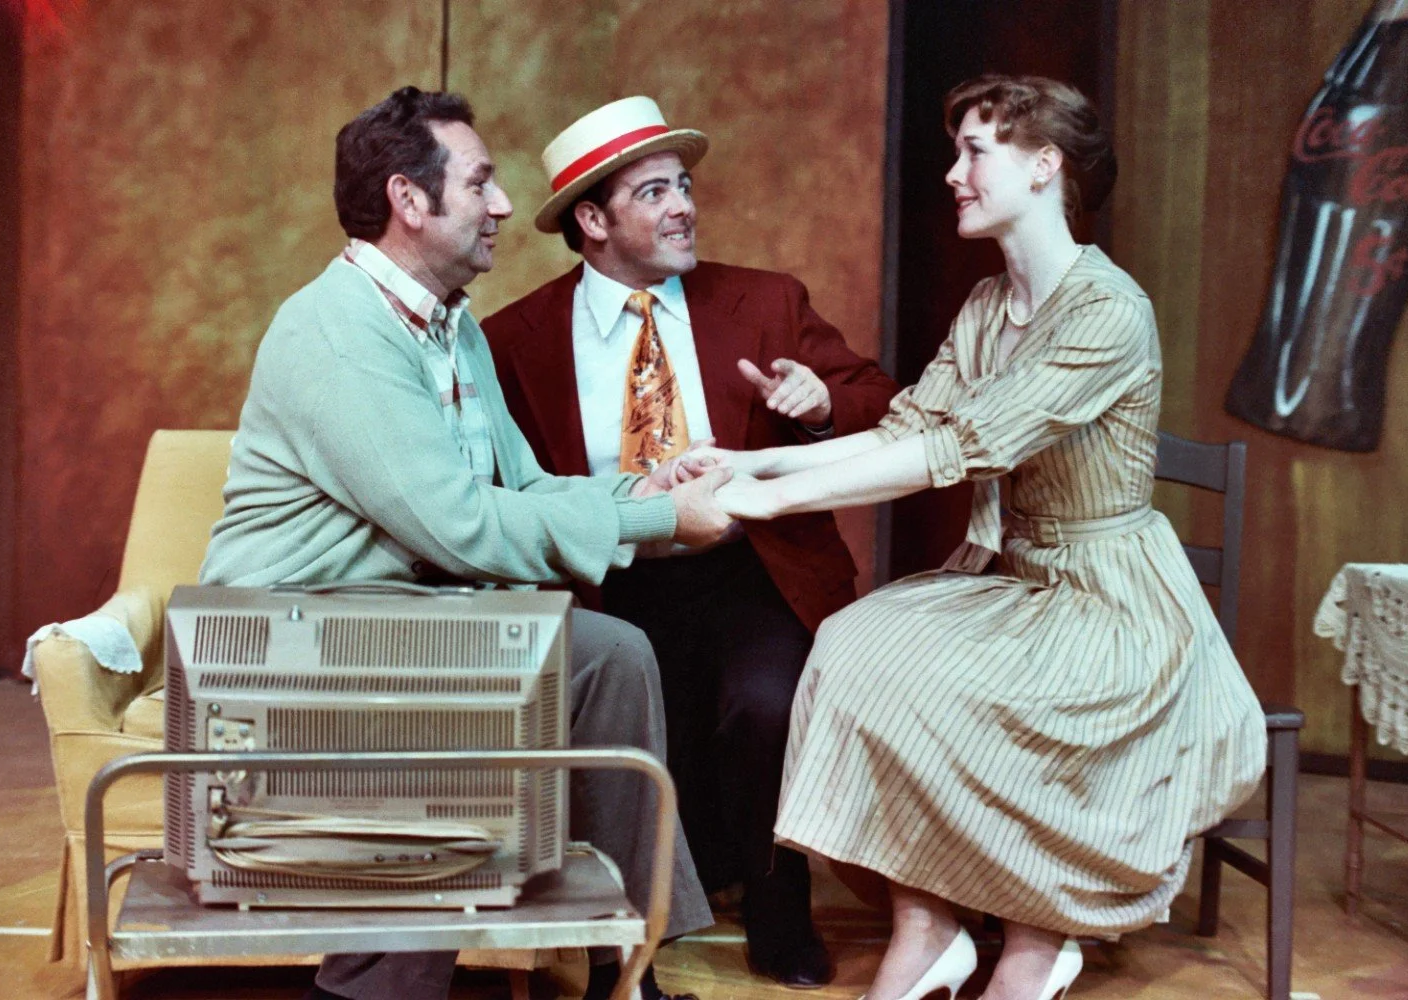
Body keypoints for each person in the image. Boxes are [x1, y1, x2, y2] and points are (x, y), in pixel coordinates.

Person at [697, 74, 1268, 1000]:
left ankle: (1039, 946)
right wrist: (746, 468)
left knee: (988, 690)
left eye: (975, 152)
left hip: (1113, 600)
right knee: (855, 647)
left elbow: (964, 446)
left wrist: (772, 504)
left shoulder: (1109, 312)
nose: (953, 173)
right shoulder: (986, 307)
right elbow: (905, 430)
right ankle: (929, 931)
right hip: (1015, 576)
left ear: (1045, 167)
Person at [199, 86, 729, 1000]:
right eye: (480, 183)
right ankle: (371, 987)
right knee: (469, 690)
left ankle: (624, 964)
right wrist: (654, 525)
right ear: (410, 200)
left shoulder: (449, 321)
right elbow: (464, 527)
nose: (504, 207)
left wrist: (645, 487)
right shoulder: (336, 331)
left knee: (609, 656)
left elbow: (517, 487)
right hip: (283, 643)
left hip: (395, 622)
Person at [481, 96, 901, 988]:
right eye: (654, 192)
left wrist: (820, 405)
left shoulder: (767, 301)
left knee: (765, 703)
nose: (683, 207)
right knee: (631, 719)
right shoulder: (514, 340)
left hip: (753, 568)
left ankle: (780, 901)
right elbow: (500, 490)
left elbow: (881, 399)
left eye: (684, 185)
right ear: (592, 222)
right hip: (613, 576)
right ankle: (637, 912)